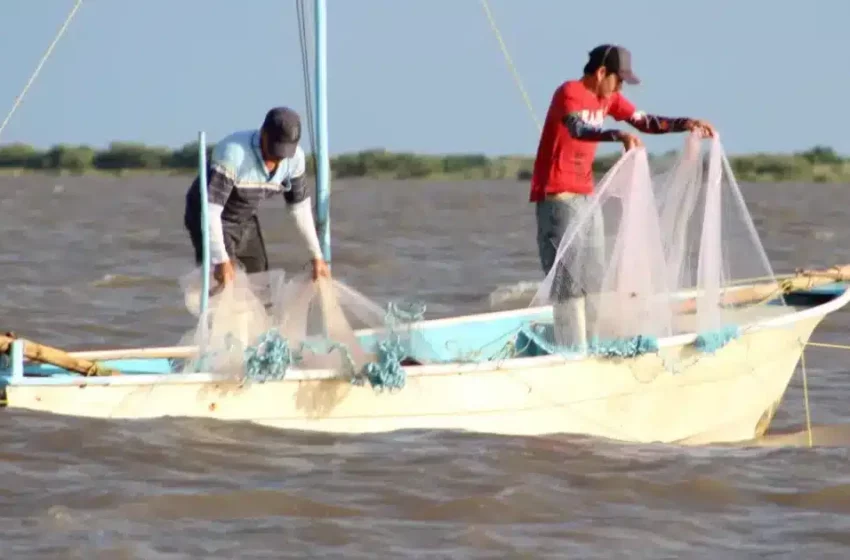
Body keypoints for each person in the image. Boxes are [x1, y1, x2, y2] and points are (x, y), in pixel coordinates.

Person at [529, 44, 715, 348]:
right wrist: (616, 135)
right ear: (602, 72)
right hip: (558, 198)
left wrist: (686, 123)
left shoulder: (609, 98)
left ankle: (589, 347)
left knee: (594, 278)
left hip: (585, 197)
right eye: (620, 79)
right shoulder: (570, 92)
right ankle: (572, 352)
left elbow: (643, 121)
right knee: (569, 284)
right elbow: (578, 128)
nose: (621, 86)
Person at [183, 107, 330, 286]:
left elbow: (299, 209)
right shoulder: (233, 153)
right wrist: (220, 259)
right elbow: (210, 211)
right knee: (223, 283)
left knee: (261, 285)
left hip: (244, 217)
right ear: (263, 134)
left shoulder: (295, 159)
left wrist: (316, 256)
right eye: (273, 150)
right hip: (207, 214)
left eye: (282, 155)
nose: (274, 161)